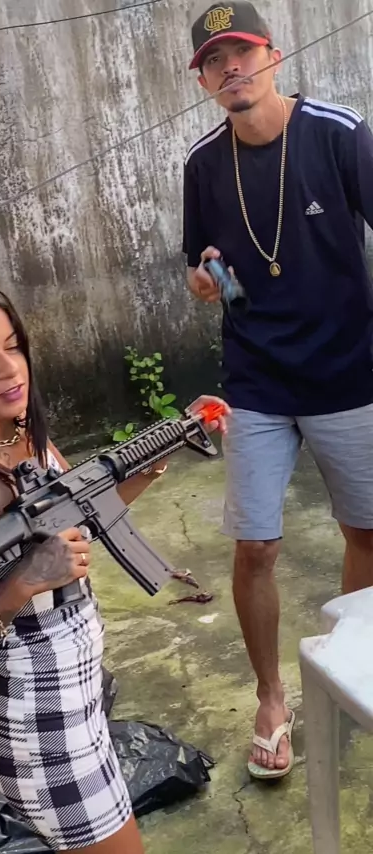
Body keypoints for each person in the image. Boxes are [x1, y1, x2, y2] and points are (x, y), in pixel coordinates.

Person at [0, 275, 176, 854]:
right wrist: (25, 581)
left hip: (80, 705)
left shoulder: (26, 437)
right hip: (44, 733)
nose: (9, 370)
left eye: (13, 347)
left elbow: (78, 520)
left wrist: (151, 461)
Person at [182, 1, 373, 780]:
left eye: (241, 52)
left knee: (366, 534)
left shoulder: (339, 134)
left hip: (349, 371)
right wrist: (202, 280)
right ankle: (270, 699)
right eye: (213, 61)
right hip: (256, 378)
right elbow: (197, 261)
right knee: (255, 544)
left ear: (273, 56)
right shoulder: (203, 164)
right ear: (203, 80)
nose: (231, 68)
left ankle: (351, 662)